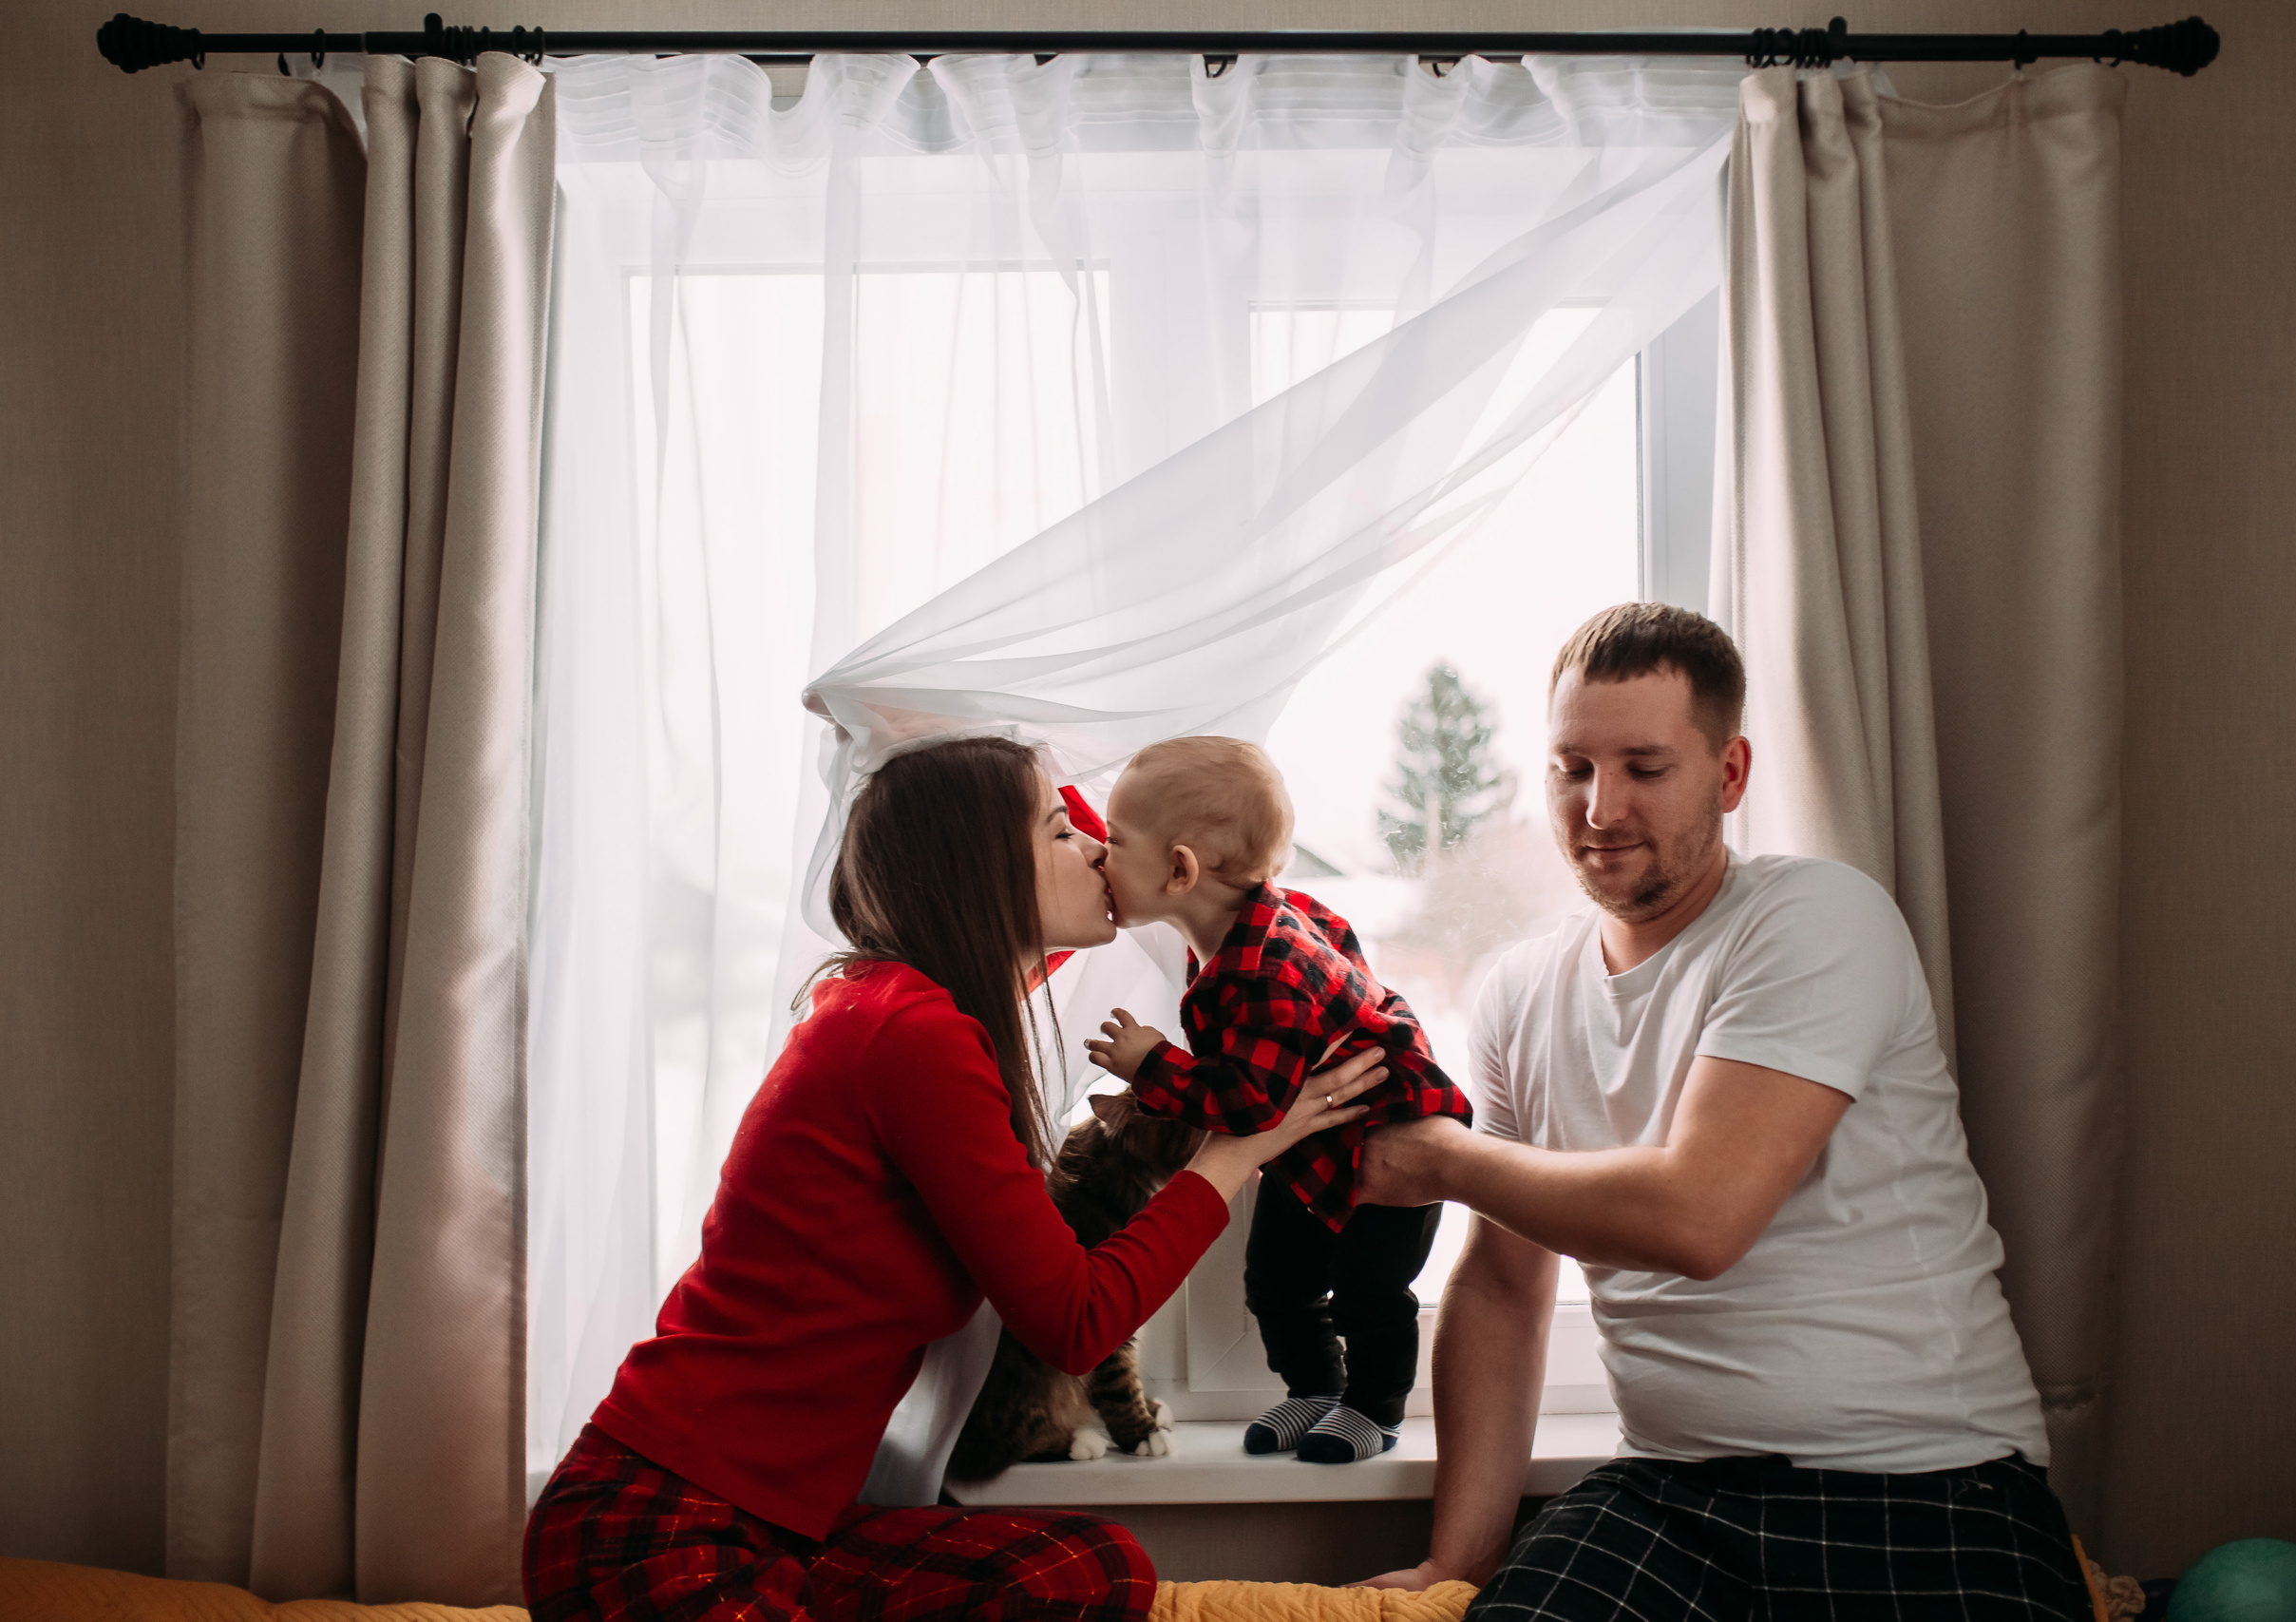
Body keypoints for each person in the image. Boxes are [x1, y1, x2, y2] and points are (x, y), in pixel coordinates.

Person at [522, 735, 1389, 1622]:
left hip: (787, 1526)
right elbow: (1075, 1320)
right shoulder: (908, 1033)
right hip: (660, 1519)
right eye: (1062, 833)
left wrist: (1186, 870)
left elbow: (1082, 864)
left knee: (1084, 1565)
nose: (1096, 848)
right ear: (983, 872)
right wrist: (1241, 1147)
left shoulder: (913, 1002)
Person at [1352, 604, 2093, 1620]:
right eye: (1572, 767)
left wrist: (1441, 1160)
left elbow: (1699, 1217)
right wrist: (1458, 1562)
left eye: (1644, 769)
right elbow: (1499, 1288)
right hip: (1671, 1492)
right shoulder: (1520, 990)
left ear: (1730, 775)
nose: (1600, 807)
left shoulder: (1817, 918)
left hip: (1929, 1484)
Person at [1081, 736, 1471, 1465]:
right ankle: (1315, 1387)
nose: (1100, 856)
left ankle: (1375, 1405)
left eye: (1113, 842)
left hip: (1389, 1139)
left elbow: (1254, 1104)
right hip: (1315, 1154)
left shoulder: (1267, 971)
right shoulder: (1259, 926)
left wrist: (1150, 1064)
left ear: (1178, 869)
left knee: (1370, 1292)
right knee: (1276, 1279)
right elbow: (1345, 947)